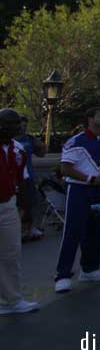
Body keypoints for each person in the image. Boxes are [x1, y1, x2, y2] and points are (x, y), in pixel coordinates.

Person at [54, 107, 100, 293]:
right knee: (73, 231)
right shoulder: (76, 141)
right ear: (90, 119)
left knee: (96, 230)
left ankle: (90, 269)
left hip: (99, 191)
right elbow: (65, 168)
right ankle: (62, 275)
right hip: (79, 190)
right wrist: (90, 178)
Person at [0, 108, 38, 314]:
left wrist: (25, 209)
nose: (13, 128)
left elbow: (23, 180)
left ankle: (11, 300)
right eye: (7, 124)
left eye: (14, 125)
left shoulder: (18, 150)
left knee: (10, 254)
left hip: (7, 205)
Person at [13, 117, 44, 242]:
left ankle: (31, 228)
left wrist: (41, 144)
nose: (23, 128)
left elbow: (41, 153)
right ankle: (16, 229)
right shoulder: (8, 140)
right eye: (21, 125)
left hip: (28, 177)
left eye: (25, 125)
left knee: (30, 204)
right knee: (15, 205)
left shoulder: (29, 139)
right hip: (12, 178)